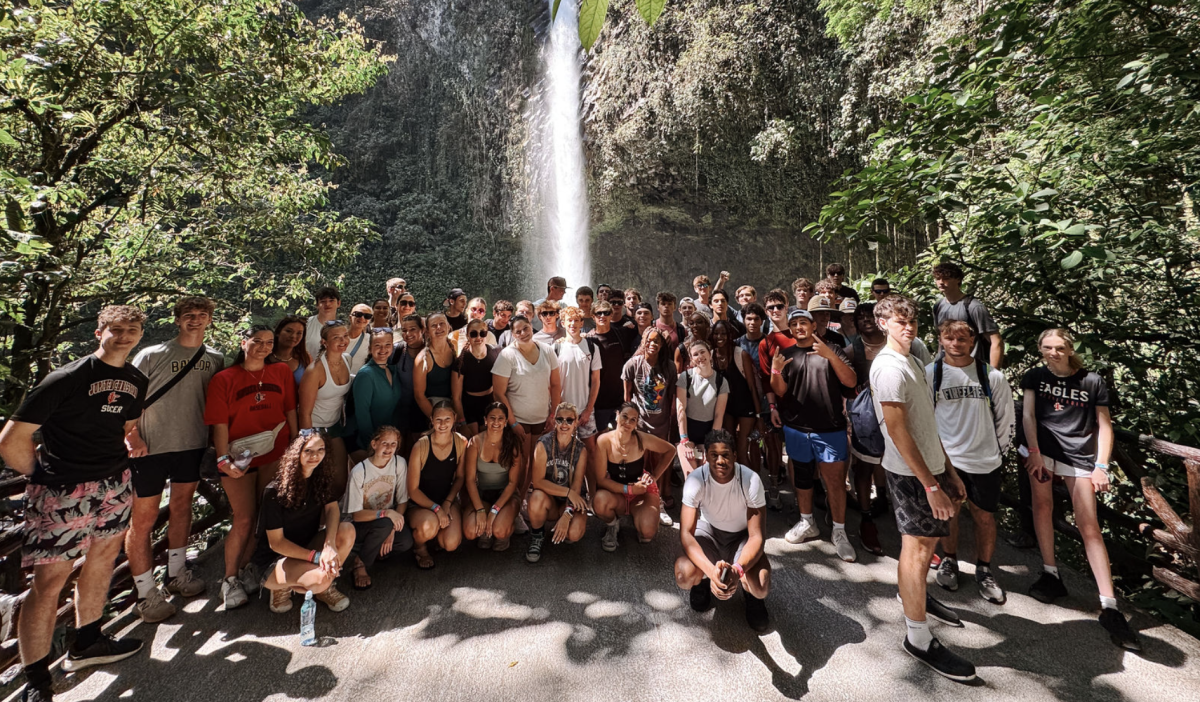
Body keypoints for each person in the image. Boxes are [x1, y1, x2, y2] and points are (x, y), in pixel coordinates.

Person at [0, 306, 150, 696]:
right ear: (98, 333)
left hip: (114, 481)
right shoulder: (66, 378)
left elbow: (126, 425)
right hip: (63, 489)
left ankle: (87, 641)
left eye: (132, 329)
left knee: (102, 559)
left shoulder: (135, 379)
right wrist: (40, 475)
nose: (124, 336)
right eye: (115, 329)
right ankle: (36, 678)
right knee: (49, 581)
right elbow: (12, 439)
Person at [869, 294, 975, 682]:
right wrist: (931, 485)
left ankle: (917, 596)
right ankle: (917, 638)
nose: (908, 327)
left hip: (930, 470)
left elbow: (926, 424)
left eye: (911, 321)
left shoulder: (914, 359)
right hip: (911, 475)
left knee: (925, 547)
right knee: (915, 551)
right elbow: (897, 432)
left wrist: (948, 470)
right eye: (899, 322)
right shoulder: (888, 369)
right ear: (883, 324)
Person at [1021, 328, 1140, 650]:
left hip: (1081, 457)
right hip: (1044, 452)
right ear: (1040, 348)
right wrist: (1033, 452)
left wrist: (1102, 465)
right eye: (1047, 347)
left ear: (1070, 349)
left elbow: (1104, 425)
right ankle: (1050, 573)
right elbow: (1029, 414)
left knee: (1089, 527)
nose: (1053, 353)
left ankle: (1109, 605)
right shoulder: (1034, 376)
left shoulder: (1091, 381)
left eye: (1059, 348)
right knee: (1043, 509)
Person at [126, 297, 223, 623]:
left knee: (182, 506)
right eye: (189, 316)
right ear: (177, 320)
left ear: (209, 320)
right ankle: (145, 592)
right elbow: (130, 399)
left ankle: (177, 573)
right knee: (143, 521)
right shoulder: (151, 355)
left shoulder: (214, 359)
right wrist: (132, 436)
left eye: (201, 315)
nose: (195, 320)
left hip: (191, 444)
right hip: (149, 448)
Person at [205, 324, 299, 610]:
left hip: (275, 450)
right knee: (243, 517)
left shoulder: (280, 372)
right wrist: (222, 458)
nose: (264, 347)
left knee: (264, 513)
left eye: (269, 343)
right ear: (243, 342)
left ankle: (249, 567)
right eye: (257, 341)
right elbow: (219, 423)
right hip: (238, 457)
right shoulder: (224, 379)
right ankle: (229, 579)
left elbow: (289, 409)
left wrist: (295, 444)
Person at [926, 321, 1015, 604]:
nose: (955, 343)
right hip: (948, 460)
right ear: (940, 340)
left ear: (972, 340)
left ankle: (985, 569)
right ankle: (949, 560)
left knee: (984, 516)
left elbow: (1006, 419)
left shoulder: (991, 376)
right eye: (949, 338)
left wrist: (997, 452)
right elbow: (925, 420)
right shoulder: (932, 375)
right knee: (948, 514)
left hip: (985, 459)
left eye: (962, 338)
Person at [770, 309, 858, 562]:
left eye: (803, 322)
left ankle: (840, 531)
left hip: (829, 428)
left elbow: (851, 381)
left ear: (813, 326)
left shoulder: (831, 348)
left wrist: (831, 356)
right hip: (797, 428)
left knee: (834, 482)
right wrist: (775, 372)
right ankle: (807, 521)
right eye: (794, 323)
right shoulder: (786, 354)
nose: (799, 327)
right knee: (802, 478)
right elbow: (781, 391)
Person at [674, 430, 770, 631]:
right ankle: (702, 582)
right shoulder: (696, 480)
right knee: (684, 574)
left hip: (740, 538)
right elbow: (686, 535)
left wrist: (738, 570)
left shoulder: (750, 481)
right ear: (706, 456)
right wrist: (711, 572)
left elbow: (756, 537)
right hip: (709, 533)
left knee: (761, 585)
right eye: (714, 455)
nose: (720, 460)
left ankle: (750, 595)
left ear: (735, 455)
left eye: (725, 454)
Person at [255, 432, 355, 614]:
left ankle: (323, 589)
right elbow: (276, 543)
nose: (315, 456)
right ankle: (281, 586)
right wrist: (317, 558)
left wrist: (329, 546)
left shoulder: (321, 478)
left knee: (347, 529)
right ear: (296, 453)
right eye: (308, 451)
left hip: (307, 545)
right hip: (275, 559)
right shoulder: (274, 491)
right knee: (319, 580)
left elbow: (332, 509)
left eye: (320, 450)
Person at [492, 315, 563, 501]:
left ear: (531, 326)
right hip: (518, 421)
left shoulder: (547, 350)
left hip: (542, 419)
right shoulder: (507, 355)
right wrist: (513, 423)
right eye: (518, 331)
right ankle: (512, 503)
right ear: (512, 334)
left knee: (535, 463)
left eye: (525, 328)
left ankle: (522, 500)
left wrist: (554, 414)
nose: (523, 333)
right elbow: (499, 393)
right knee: (519, 464)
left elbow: (556, 385)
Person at [592, 403, 676, 551]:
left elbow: (670, 450)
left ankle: (638, 515)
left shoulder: (642, 439)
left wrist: (654, 477)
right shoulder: (603, 441)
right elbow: (601, 480)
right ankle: (613, 525)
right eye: (625, 417)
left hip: (641, 493)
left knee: (647, 533)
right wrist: (629, 489)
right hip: (616, 492)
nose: (628, 422)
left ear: (637, 424)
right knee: (599, 502)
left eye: (633, 420)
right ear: (617, 415)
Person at [845, 302, 890, 554]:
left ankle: (884, 498)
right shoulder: (854, 349)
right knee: (864, 464)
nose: (865, 320)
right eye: (859, 317)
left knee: (899, 464)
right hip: (867, 415)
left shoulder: (900, 342)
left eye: (868, 315)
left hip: (898, 411)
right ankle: (866, 517)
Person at [344, 425, 412, 590]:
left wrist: (392, 531)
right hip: (359, 524)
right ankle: (360, 564)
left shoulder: (399, 463)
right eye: (385, 443)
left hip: (386, 522)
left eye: (393, 444)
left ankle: (372, 550)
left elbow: (403, 500)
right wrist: (387, 514)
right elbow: (356, 515)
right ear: (374, 444)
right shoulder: (360, 471)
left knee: (406, 542)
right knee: (385, 522)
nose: (389, 448)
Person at [622, 327, 678, 524]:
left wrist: (671, 423)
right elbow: (627, 399)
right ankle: (636, 501)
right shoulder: (633, 365)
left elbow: (671, 398)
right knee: (639, 465)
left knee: (659, 466)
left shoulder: (669, 367)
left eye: (657, 341)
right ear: (643, 341)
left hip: (661, 424)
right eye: (649, 340)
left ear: (662, 345)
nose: (652, 344)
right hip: (640, 426)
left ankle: (659, 503)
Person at [406, 400, 466, 568]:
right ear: (431, 419)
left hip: (446, 500)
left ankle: (437, 536)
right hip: (420, 504)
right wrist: (436, 508)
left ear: (454, 418)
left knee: (451, 543)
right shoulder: (421, 446)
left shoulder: (460, 442)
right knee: (428, 527)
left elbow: (460, 477)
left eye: (447, 419)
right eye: (438, 419)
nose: (443, 424)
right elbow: (412, 490)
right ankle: (420, 548)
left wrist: (447, 503)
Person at [298, 320, 354, 498]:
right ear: (324, 342)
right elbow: (304, 412)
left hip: (335, 426)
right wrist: (307, 442)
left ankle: (332, 520)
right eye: (336, 337)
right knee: (317, 481)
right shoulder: (315, 370)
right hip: (314, 429)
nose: (343, 341)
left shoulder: (347, 359)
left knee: (340, 481)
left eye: (345, 336)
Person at [527, 403, 590, 562]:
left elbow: (576, 486)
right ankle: (537, 536)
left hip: (572, 501)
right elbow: (538, 481)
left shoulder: (581, 449)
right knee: (536, 497)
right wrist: (567, 492)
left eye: (569, 420)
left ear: (576, 423)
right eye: (560, 419)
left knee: (574, 534)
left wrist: (568, 514)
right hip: (551, 499)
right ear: (554, 421)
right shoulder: (543, 444)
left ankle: (564, 527)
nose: (564, 424)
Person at [462, 403, 523, 551]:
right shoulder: (475, 442)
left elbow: (513, 482)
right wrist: (480, 510)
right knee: (470, 532)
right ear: (485, 420)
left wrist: (495, 510)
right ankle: (487, 524)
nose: (496, 422)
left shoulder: (513, 443)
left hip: (506, 496)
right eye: (492, 418)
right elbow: (469, 479)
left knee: (500, 530)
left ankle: (506, 528)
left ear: (505, 421)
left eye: (500, 418)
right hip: (483, 495)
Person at [710, 320, 760, 472]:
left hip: (746, 407)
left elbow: (752, 386)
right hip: (727, 408)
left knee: (743, 451)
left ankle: (752, 489)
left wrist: (759, 416)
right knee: (730, 450)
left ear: (730, 335)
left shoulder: (740, 354)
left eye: (723, 333)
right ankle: (734, 485)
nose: (720, 337)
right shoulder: (712, 355)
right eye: (716, 333)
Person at [932, 262, 1003, 368]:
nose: (941, 282)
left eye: (946, 278)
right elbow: (942, 340)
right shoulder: (938, 306)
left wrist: (993, 375)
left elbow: (996, 341)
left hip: (974, 371)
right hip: (947, 371)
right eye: (938, 279)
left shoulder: (974, 307)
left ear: (958, 280)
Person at [350, 328, 405, 464]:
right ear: (370, 348)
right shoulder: (366, 375)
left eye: (387, 345)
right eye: (377, 345)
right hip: (367, 445)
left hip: (388, 444)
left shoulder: (392, 371)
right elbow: (362, 415)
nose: (383, 349)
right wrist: (373, 446)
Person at [676, 341, 729, 477]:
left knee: (706, 472)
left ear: (710, 353)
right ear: (691, 359)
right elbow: (680, 409)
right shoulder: (685, 377)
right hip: (688, 430)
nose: (700, 356)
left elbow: (719, 415)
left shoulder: (721, 381)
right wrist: (684, 439)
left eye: (702, 352)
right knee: (691, 475)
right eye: (695, 354)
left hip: (708, 432)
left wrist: (710, 444)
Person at [555, 307, 603, 455]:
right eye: (569, 320)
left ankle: (592, 480)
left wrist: (588, 410)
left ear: (582, 323)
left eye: (576, 320)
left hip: (584, 411)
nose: (573, 324)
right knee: (561, 451)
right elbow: (552, 382)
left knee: (590, 451)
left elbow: (596, 381)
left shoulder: (592, 347)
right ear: (563, 323)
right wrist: (556, 411)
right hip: (562, 410)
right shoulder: (556, 347)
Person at [587, 300, 635, 433]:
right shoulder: (589, 340)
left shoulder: (621, 334)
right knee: (601, 440)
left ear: (611, 315)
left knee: (622, 438)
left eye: (606, 313)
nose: (602, 316)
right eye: (598, 313)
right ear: (593, 316)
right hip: (599, 402)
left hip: (620, 399)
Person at [452, 318, 501, 438]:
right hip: (470, 404)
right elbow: (456, 397)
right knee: (474, 440)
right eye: (473, 334)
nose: (478, 337)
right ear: (468, 336)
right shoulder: (461, 361)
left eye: (482, 333)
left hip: (489, 402)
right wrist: (462, 422)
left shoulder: (496, 352)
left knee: (489, 438)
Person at [389, 311, 424, 451]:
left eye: (413, 329)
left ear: (422, 330)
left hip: (424, 413)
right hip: (401, 413)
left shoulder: (432, 351)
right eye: (404, 330)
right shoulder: (396, 352)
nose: (408, 334)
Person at [414, 312, 457, 424]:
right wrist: (438, 420)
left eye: (442, 323)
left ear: (448, 326)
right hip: (432, 411)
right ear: (427, 331)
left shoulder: (456, 348)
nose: (439, 327)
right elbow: (419, 396)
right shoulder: (423, 359)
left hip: (455, 408)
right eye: (434, 325)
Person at [268, 315, 311, 388]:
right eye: (288, 331)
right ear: (278, 332)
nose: (293, 336)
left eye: (299, 333)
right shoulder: (264, 357)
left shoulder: (305, 358)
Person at [305, 286, 341, 361]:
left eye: (331, 300)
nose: (327, 304)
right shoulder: (306, 324)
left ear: (338, 303)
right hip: (307, 370)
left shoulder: (342, 329)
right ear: (317, 304)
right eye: (323, 301)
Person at [345, 303, 375, 374]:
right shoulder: (338, 338)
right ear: (350, 317)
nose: (362, 318)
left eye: (367, 316)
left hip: (356, 382)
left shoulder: (370, 340)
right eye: (358, 314)